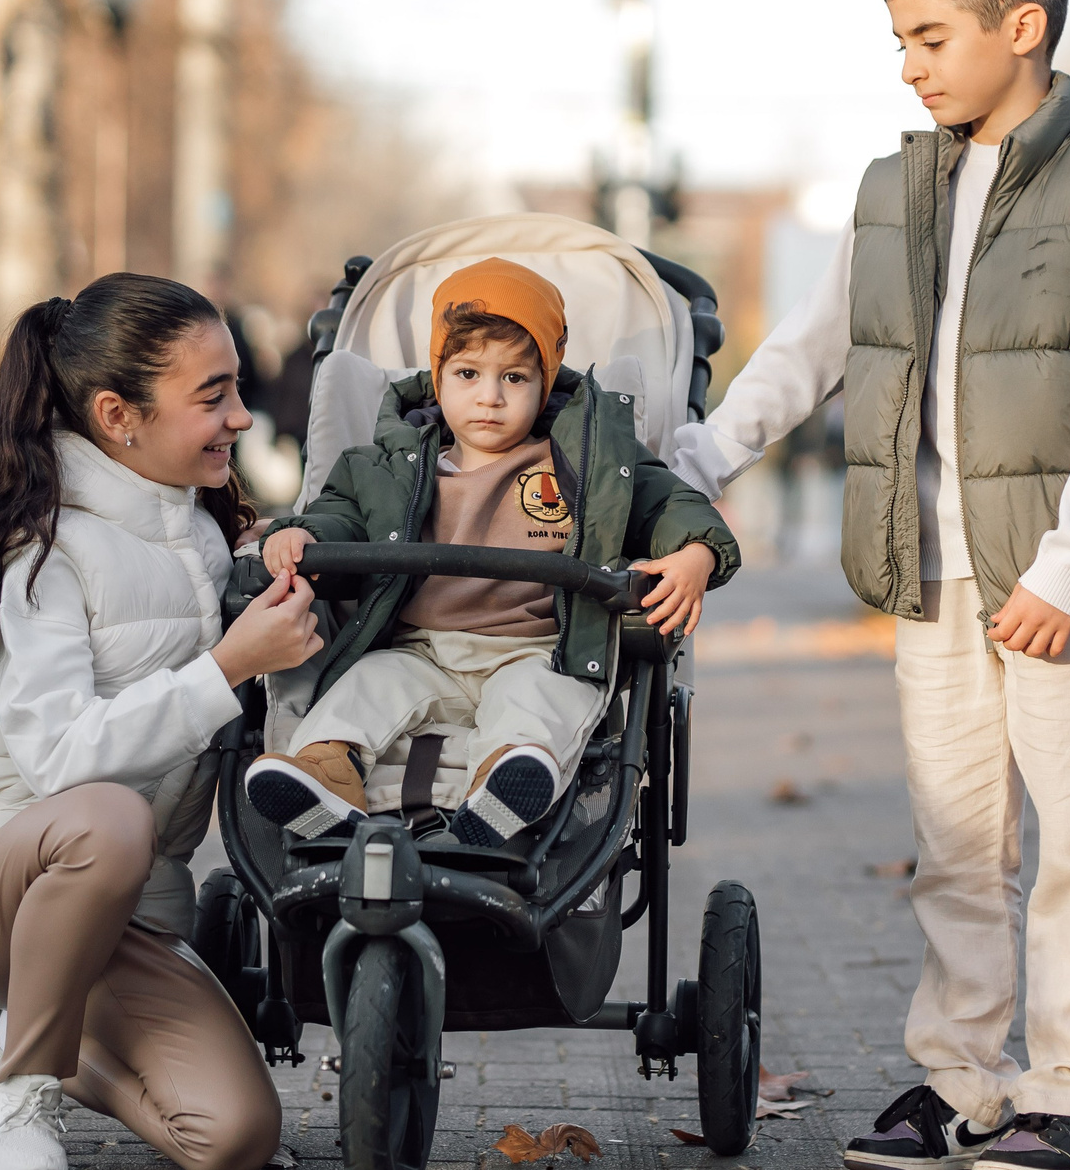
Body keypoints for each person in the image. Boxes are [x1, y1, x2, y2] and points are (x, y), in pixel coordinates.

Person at [668, 0, 1070, 1170]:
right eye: (899, 41)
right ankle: (965, 1079)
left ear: (1021, 27)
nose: (906, 65)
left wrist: (1069, 563)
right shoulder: (894, 190)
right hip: (934, 571)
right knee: (959, 840)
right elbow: (810, 349)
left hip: (1056, 580)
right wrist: (694, 460)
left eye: (927, 37)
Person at [0, 273, 326, 1170]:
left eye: (237, 388)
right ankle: (11, 1093)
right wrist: (228, 666)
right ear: (119, 415)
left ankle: (41, 1028)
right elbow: (59, 758)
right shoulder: (44, 550)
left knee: (232, 1137)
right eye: (213, 396)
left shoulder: (201, 537)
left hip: (112, 911)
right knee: (107, 816)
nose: (242, 416)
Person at [245, 258, 739, 849]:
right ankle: (324, 772)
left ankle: (505, 784)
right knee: (364, 685)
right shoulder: (385, 462)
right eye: (468, 374)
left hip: (534, 648)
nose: (489, 397)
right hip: (419, 647)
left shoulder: (588, 460)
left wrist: (697, 554)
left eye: (514, 378)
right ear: (438, 374)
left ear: (546, 380)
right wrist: (305, 536)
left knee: (539, 701)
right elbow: (340, 515)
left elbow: (670, 504)